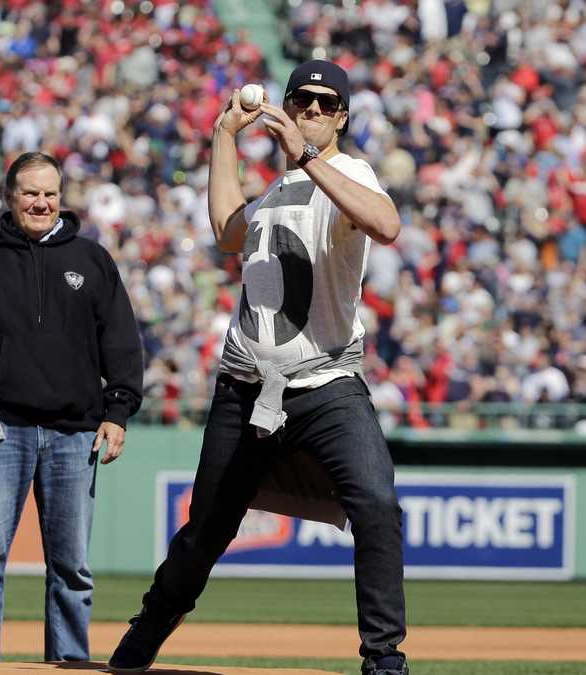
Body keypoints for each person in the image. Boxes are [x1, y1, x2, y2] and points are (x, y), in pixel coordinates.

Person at [107, 61, 409, 675]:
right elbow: (224, 230)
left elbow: (387, 225)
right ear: (289, 107)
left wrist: (307, 161)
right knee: (206, 532)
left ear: (343, 117)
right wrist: (224, 136)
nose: (314, 111)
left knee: (377, 505)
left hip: (327, 384)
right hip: (247, 388)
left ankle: (383, 656)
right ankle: (154, 620)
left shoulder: (349, 172)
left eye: (327, 104)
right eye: (304, 100)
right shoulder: (273, 195)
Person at [0, 151, 144, 662]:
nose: (41, 203)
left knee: (72, 569)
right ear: (9, 197)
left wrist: (117, 412)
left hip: (75, 433)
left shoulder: (93, 261)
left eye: (50, 193)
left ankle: (67, 665)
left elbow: (123, 346)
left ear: (61, 198)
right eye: (30, 193)